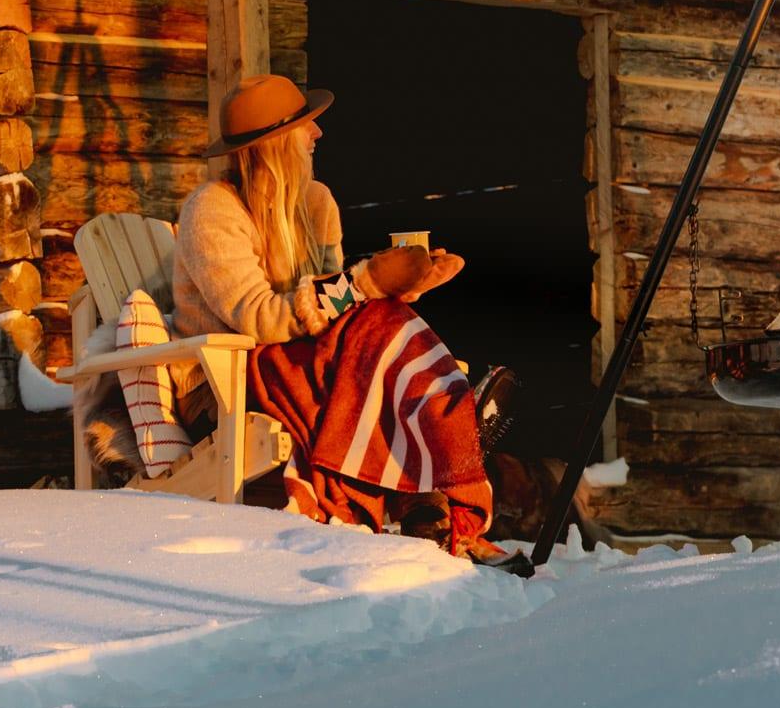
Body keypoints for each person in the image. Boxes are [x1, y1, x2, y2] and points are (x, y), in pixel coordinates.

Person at [169, 73, 520, 569]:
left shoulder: (316, 204)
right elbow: (258, 317)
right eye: (307, 126)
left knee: (377, 321)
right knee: (370, 330)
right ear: (273, 143)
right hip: (229, 378)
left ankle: (432, 509)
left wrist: (406, 285)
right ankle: (452, 422)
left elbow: (341, 310)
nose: (318, 135)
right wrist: (365, 283)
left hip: (308, 363)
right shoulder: (213, 210)